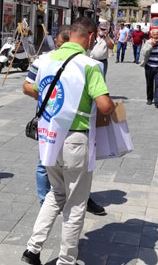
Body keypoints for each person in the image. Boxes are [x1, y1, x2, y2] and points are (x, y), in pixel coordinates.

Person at [21, 17, 115, 265]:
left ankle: (32, 249)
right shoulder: (90, 65)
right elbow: (105, 106)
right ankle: (66, 260)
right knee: (75, 203)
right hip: (75, 139)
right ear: (91, 36)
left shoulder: (45, 60)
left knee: (56, 193)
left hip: (49, 136)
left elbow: (30, 88)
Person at [23, 24, 106, 215]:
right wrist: (46, 93)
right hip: (51, 121)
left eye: (63, 44)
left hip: (75, 125)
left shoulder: (84, 62)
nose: (60, 48)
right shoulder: (45, 61)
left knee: (75, 171)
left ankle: (80, 197)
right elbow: (27, 86)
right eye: (59, 44)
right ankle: (47, 201)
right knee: (45, 163)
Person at [140, 28, 158, 109]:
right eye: (155, 35)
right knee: (149, 84)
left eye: (157, 34)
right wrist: (151, 46)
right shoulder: (148, 42)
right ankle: (149, 98)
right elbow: (144, 53)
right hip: (149, 66)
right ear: (151, 35)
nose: (156, 36)